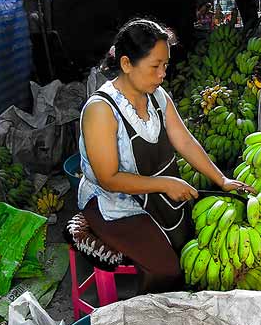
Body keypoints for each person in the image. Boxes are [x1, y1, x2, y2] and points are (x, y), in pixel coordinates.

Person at [77, 18, 251, 293]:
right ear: (126, 64)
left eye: (165, 66)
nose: (162, 75)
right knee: (167, 269)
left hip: (155, 197)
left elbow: (184, 140)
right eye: (155, 66)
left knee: (192, 247)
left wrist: (221, 180)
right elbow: (108, 178)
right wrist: (166, 184)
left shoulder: (157, 96)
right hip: (114, 205)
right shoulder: (101, 110)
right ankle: (144, 318)